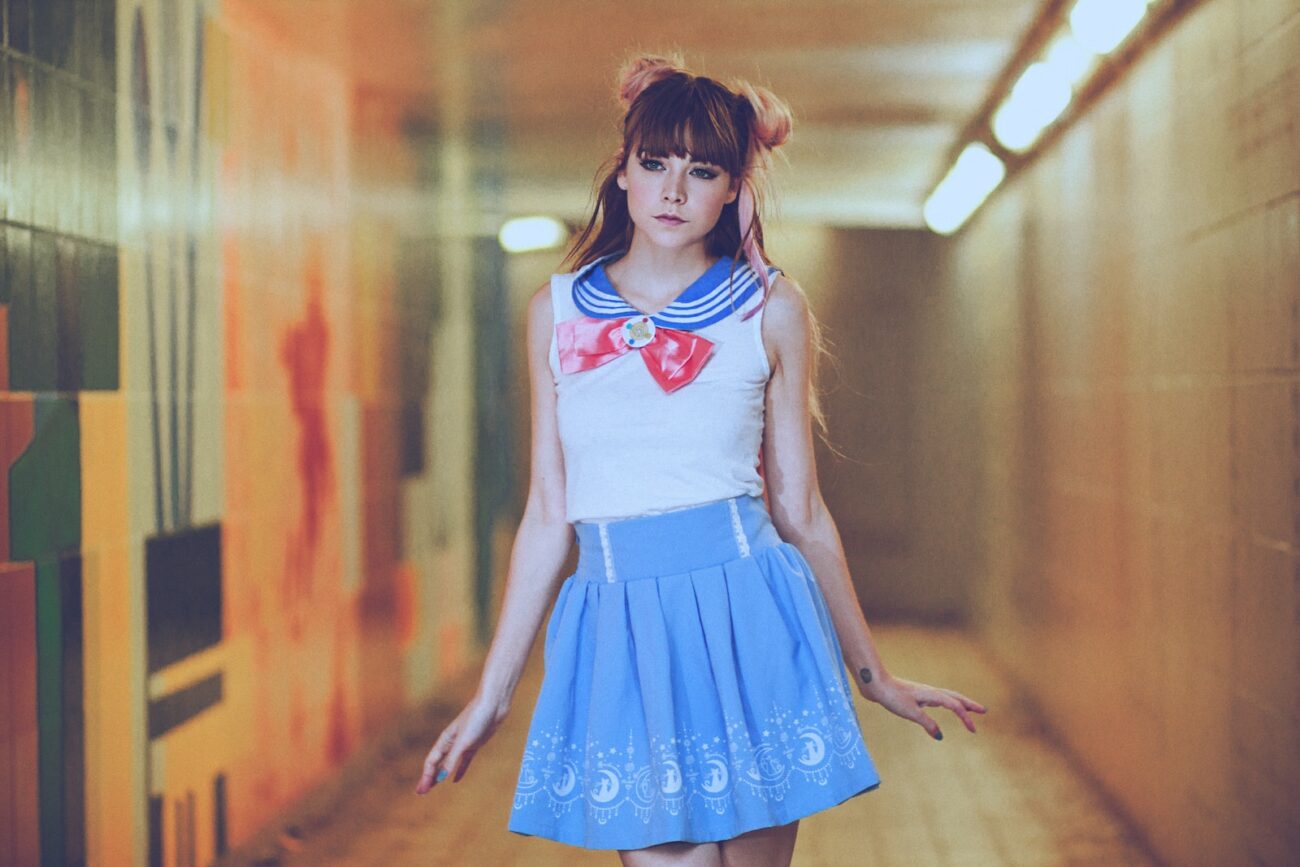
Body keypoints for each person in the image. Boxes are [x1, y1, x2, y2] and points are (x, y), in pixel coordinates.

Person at [414, 53, 987, 866]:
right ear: (623, 176)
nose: (675, 190)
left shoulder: (770, 306)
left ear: (732, 190)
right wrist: (491, 698)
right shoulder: (557, 310)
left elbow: (801, 508)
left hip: (747, 607)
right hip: (619, 624)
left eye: (702, 169)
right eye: (655, 164)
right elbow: (548, 515)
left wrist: (873, 673)